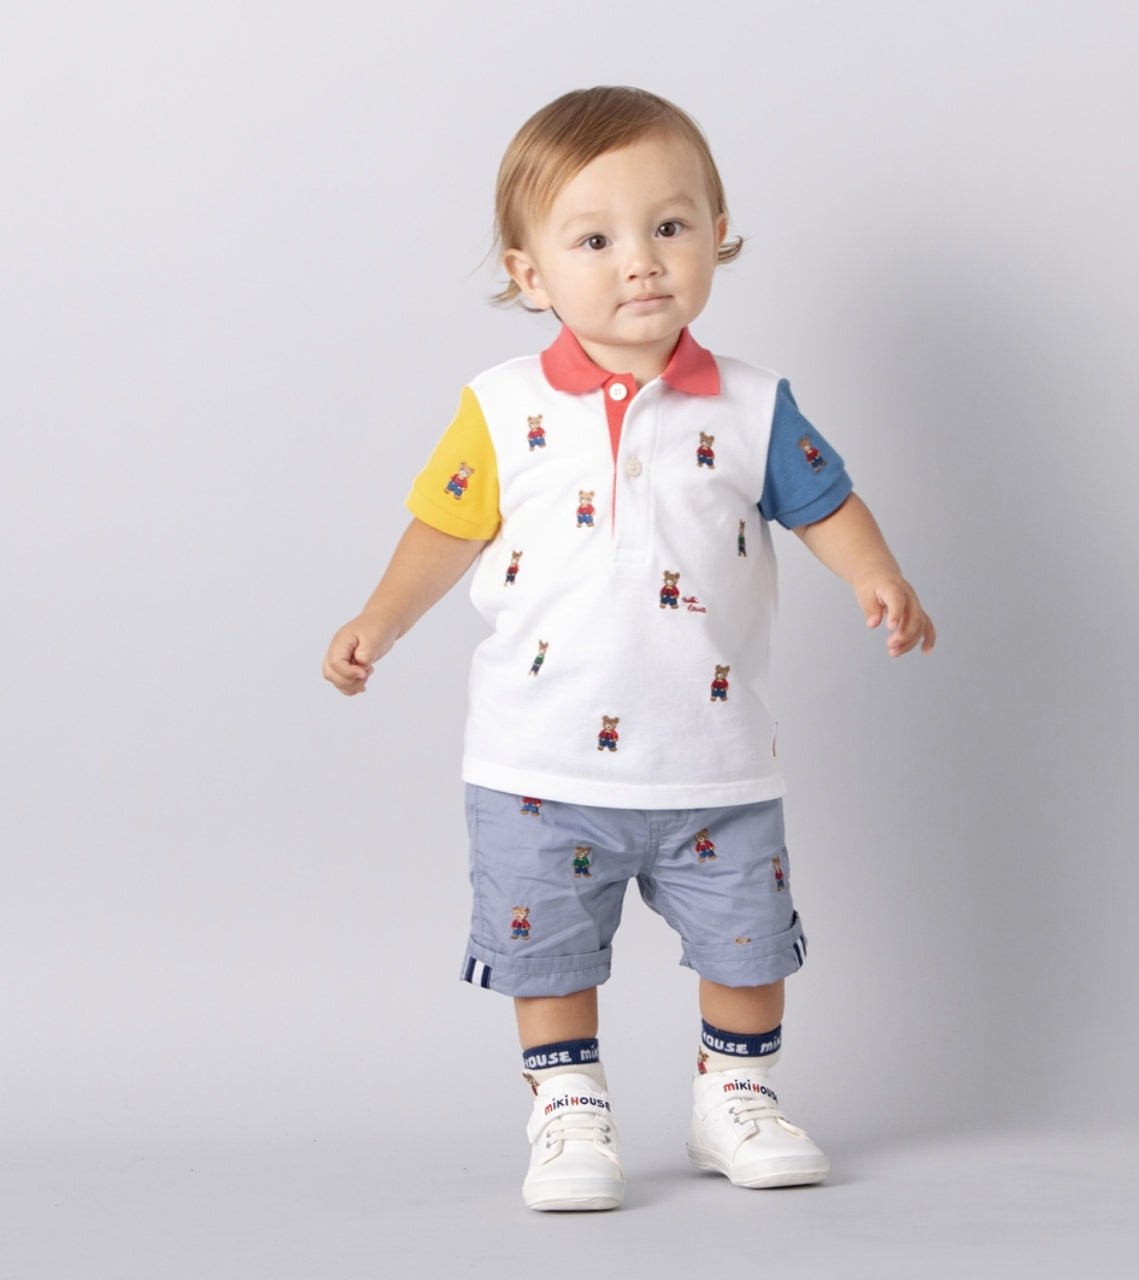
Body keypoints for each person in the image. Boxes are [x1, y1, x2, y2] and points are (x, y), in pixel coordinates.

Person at [322, 86, 936, 1212]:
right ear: (530, 273)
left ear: (716, 233)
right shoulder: (501, 408)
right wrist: (380, 618)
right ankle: (568, 1109)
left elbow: (825, 504)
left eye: (669, 226)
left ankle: (734, 1095)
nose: (641, 261)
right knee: (548, 954)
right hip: (539, 762)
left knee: (748, 945)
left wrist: (876, 575)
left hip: (716, 760)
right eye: (595, 240)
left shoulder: (752, 406)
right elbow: (444, 528)